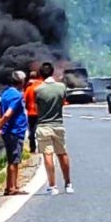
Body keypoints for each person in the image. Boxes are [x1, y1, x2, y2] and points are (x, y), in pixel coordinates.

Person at [35, 61, 73, 195]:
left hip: (43, 125)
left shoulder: (38, 90)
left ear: (40, 74)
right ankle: (68, 183)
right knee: (62, 153)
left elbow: (35, 107)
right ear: (52, 72)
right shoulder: (61, 87)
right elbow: (63, 101)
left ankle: (52, 186)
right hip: (58, 124)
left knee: (48, 155)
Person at [0, 70, 28, 195]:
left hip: (8, 131)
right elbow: (8, 114)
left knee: (13, 159)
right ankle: (11, 188)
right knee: (14, 160)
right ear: (22, 82)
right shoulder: (17, 96)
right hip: (15, 131)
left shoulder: (6, 93)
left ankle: (13, 186)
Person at [23, 68, 43, 153]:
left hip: (31, 112)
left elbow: (24, 99)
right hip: (41, 112)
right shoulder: (42, 86)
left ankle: (32, 147)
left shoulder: (29, 88)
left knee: (32, 129)